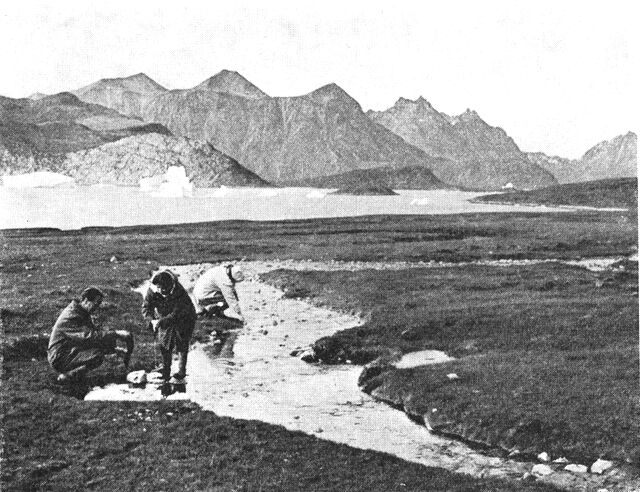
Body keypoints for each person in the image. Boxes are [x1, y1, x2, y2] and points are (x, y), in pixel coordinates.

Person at [48, 287, 134, 383]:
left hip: (69, 350)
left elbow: (95, 337)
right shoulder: (72, 315)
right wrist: (116, 334)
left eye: (99, 304)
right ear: (85, 300)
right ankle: (67, 377)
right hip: (59, 356)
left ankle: (73, 377)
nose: (97, 307)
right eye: (96, 303)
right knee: (97, 355)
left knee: (99, 349)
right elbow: (88, 336)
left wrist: (113, 349)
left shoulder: (81, 312)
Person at [142, 270, 196, 382]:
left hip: (185, 316)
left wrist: (161, 321)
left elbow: (176, 314)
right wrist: (151, 321)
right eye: (160, 289)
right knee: (165, 342)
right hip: (164, 314)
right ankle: (166, 370)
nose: (162, 291)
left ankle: (181, 372)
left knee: (182, 341)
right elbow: (146, 308)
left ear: (171, 285)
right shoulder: (152, 291)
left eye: (166, 289)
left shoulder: (179, 292)